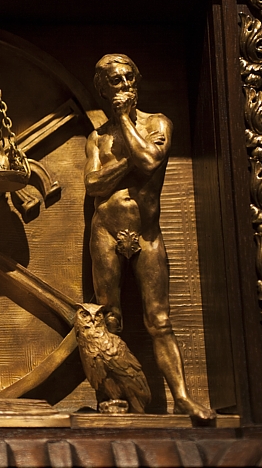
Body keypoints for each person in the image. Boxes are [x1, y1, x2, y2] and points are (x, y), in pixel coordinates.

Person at [84, 54, 215, 420]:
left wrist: (125, 120)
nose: (126, 86)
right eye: (116, 81)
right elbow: (93, 184)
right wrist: (132, 161)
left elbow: (150, 162)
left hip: (146, 234)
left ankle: (182, 398)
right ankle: (113, 398)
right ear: (103, 90)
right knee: (108, 317)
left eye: (130, 78)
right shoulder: (96, 138)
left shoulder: (159, 122)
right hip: (105, 232)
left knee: (159, 320)